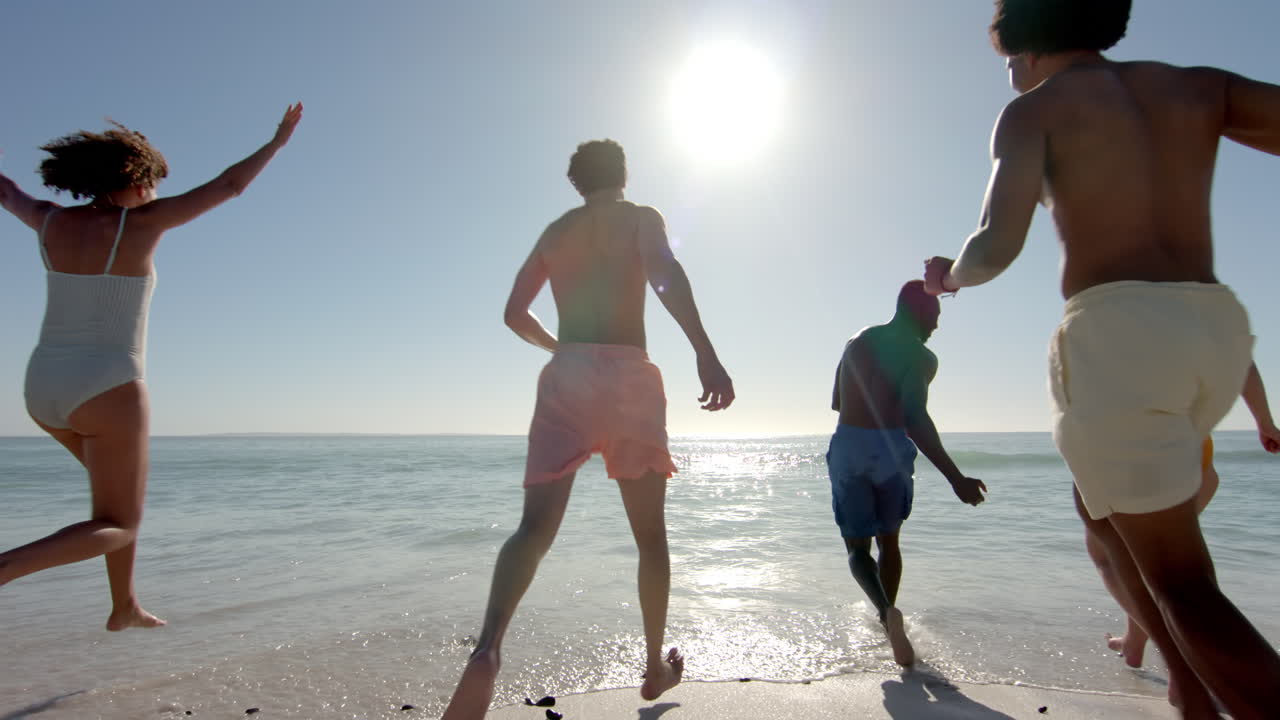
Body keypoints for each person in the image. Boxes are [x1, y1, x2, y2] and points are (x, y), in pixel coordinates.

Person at [921, 0, 1280, 716]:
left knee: (1183, 581)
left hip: (1122, 333)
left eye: (1004, 62)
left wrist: (946, 276)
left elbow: (997, 243)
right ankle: (1188, 689)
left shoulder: (1033, 113)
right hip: (1216, 327)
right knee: (1101, 517)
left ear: (1019, 43)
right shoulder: (1196, 85)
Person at [441, 139, 735, 719]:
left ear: (576, 185)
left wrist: (561, 349)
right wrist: (705, 351)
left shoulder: (556, 231)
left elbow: (513, 314)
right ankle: (653, 666)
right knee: (650, 538)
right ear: (624, 174)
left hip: (566, 379)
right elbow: (665, 273)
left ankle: (488, 650)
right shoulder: (641, 218)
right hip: (629, 378)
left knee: (532, 532)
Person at [0, 104, 303, 630]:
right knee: (119, 522)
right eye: (154, 183)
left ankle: (124, 606)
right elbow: (230, 185)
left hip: (41, 390)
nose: (158, 194)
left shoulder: (48, 219)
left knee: (116, 510)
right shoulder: (139, 226)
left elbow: (6, 192)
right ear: (136, 180)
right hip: (109, 387)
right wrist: (276, 143)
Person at [827, 280, 987, 667]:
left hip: (850, 445)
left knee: (857, 550)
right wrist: (955, 477)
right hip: (891, 452)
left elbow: (836, 402)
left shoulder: (856, 342)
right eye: (934, 316)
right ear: (916, 312)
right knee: (890, 543)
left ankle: (885, 613)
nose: (936, 327)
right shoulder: (921, 358)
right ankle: (890, 618)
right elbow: (915, 417)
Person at [1099, 364, 1280, 668]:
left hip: (1152, 458)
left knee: (1115, 558)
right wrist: (1265, 422)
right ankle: (1135, 642)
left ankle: (1189, 665)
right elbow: (1241, 362)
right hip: (1197, 460)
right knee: (1148, 561)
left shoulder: (1127, 327)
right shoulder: (1195, 323)